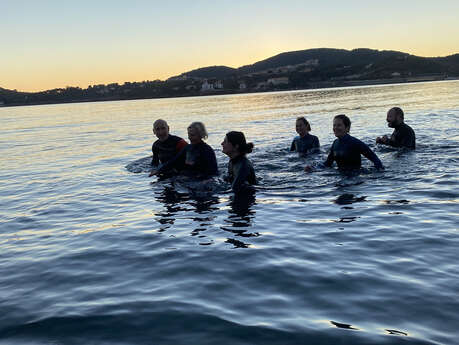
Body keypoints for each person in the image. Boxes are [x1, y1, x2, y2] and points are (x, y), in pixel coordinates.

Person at [305, 114, 384, 172]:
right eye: (334, 125)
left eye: (339, 125)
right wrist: (313, 169)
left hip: (355, 179)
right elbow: (328, 163)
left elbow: (375, 159)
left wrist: (378, 173)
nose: (335, 128)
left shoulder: (355, 143)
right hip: (340, 177)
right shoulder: (335, 143)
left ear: (347, 128)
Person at [151, 121, 218, 179]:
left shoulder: (207, 150)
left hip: (202, 179)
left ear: (201, 135)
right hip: (189, 177)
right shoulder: (187, 148)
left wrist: (204, 179)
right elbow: (173, 161)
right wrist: (158, 170)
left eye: (192, 135)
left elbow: (213, 171)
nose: (189, 137)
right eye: (188, 134)